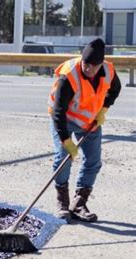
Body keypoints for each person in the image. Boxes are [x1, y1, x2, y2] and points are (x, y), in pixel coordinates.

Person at [47, 38, 121, 223]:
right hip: (64, 119)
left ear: (100, 64)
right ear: (82, 59)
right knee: (63, 159)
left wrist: (104, 109)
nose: (89, 69)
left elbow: (115, 89)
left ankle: (79, 203)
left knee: (93, 162)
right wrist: (66, 140)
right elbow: (58, 112)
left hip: (89, 121)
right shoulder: (69, 75)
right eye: (86, 64)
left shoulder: (108, 70)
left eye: (94, 66)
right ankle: (62, 201)